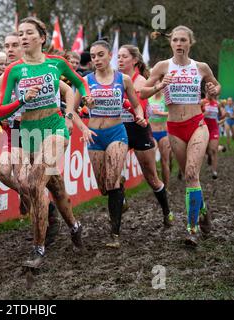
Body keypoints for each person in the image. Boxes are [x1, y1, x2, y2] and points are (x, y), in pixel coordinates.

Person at [0, 17, 92, 268]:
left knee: (34, 182)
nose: (24, 37)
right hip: (27, 135)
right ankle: (74, 226)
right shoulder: (13, 70)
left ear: (42, 38)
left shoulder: (56, 64)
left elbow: (80, 83)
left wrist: (75, 109)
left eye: (29, 33)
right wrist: (21, 100)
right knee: (57, 187)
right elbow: (1, 112)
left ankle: (38, 249)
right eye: (20, 33)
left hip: (54, 129)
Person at [141, 26, 221, 246]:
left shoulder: (201, 67)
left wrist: (214, 90)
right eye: (175, 40)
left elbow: (216, 86)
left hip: (197, 124)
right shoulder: (162, 66)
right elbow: (142, 92)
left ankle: (192, 229)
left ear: (190, 43)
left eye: (183, 40)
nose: (178, 43)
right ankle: (203, 212)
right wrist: (159, 84)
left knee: (192, 173)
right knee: (189, 177)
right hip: (174, 128)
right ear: (171, 43)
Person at [78, 40, 146, 249]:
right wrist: (83, 127)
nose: (96, 59)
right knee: (104, 187)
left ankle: (114, 234)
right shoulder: (85, 81)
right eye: (93, 56)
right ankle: (120, 191)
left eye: (100, 55)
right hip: (94, 136)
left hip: (117, 133)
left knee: (111, 180)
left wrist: (140, 117)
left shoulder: (123, 79)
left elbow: (136, 105)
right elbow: (71, 111)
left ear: (110, 55)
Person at [118, 44, 174, 226]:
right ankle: (121, 198)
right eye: (118, 56)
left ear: (135, 60)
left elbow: (140, 103)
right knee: (112, 173)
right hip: (120, 130)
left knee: (151, 177)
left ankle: (166, 211)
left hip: (140, 130)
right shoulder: (113, 79)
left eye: (124, 56)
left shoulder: (140, 80)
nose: (119, 60)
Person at [147, 80, 172, 188]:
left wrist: (160, 113)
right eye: (155, 85)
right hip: (151, 132)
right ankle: (158, 185)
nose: (157, 87)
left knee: (164, 161)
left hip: (163, 132)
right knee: (151, 161)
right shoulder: (149, 99)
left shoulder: (165, 98)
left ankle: (166, 188)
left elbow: (172, 112)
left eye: (159, 85)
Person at [201, 91, 224, 179]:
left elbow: (221, 116)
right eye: (208, 93)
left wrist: (222, 118)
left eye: (212, 93)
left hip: (214, 129)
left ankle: (214, 172)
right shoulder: (203, 103)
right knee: (207, 150)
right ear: (207, 94)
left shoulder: (217, 104)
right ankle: (209, 156)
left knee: (213, 149)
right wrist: (204, 114)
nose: (210, 95)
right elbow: (197, 116)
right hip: (204, 129)